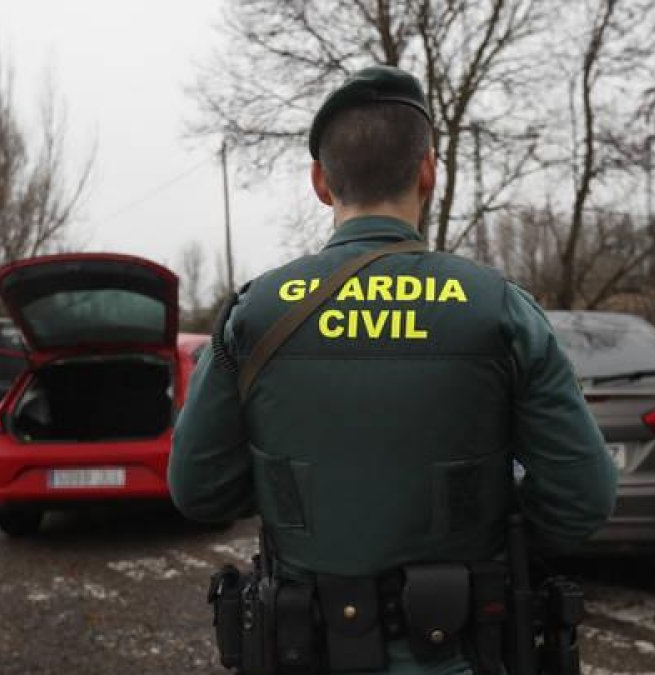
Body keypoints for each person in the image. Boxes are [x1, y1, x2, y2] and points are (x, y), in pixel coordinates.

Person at [170, 66, 616, 674]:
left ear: (321, 182)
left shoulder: (253, 314)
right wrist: (485, 521)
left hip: (308, 647)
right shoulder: (499, 307)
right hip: (462, 648)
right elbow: (582, 498)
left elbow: (199, 490)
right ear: (429, 172)